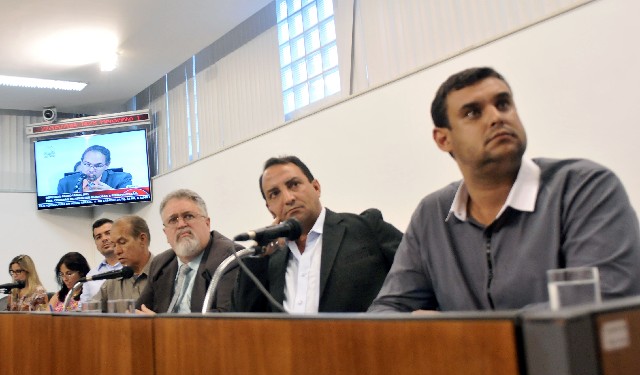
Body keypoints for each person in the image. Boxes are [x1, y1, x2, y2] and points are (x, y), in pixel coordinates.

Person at [369, 66, 640, 313]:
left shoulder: (584, 188)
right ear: (443, 139)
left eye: (503, 104)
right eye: (473, 112)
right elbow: (386, 311)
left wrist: (454, 333)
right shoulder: (432, 214)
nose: (496, 117)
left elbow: (601, 304)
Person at [231, 156, 403, 313]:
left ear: (316, 187)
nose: (288, 198)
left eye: (293, 185)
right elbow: (242, 317)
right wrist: (259, 258)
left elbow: (415, 271)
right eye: (275, 194)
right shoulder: (269, 259)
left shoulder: (365, 228)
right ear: (270, 208)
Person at [136, 189, 241, 314]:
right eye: (173, 220)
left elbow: (226, 319)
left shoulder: (230, 258)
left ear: (207, 223)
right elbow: (138, 311)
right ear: (166, 233)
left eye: (188, 216)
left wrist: (161, 323)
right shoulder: (160, 263)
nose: (181, 224)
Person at [91, 215, 153, 312]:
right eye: (114, 245)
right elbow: (88, 314)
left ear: (142, 239)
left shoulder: (165, 274)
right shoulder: (111, 283)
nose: (117, 251)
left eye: (122, 242)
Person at [79, 218, 122, 304]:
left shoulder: (132, 267)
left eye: (108, 233)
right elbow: (84, 306)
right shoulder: (91, 275)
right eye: (98, 237)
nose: (104, 239)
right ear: (96, 244)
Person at [57, 145, 132, 194]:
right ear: (82, 162)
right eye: (87, 164)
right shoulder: (65, 183)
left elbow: (129, 203)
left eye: (98, 166)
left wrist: (112, 193)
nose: (91, 170)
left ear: (107, 165)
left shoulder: (122, 179)